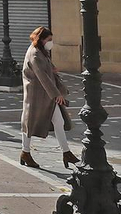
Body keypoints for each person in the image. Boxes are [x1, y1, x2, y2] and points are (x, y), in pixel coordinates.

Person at [20, 26, 78, 169]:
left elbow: (46, 67)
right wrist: (56, 94)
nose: (51, 42)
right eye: (49, 40)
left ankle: (66, 152)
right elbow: (42, 76)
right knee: (29, 124)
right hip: (37, 95)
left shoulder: (41, 51)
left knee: (58, 121)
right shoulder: (34, 54)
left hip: (45, 95)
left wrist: (52, 67)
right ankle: (25, 152)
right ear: (41, 39)